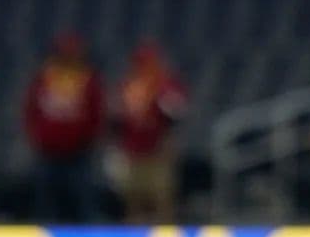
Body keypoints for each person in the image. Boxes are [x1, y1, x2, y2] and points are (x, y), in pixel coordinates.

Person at [22, 33, 106, 223]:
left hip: (78, 152)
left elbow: (97, 113)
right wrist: (39, 137)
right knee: (45, 202)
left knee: (82, 201)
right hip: (48, 152)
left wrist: (87, 141)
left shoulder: (87, 80)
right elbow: (30, 110)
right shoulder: (45, 79)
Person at [114, 41, 188, 223]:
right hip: (132, 150)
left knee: (162, 196)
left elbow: (177, 112)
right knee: (133, 197)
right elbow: (118, 117)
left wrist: (160, 98)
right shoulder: (129, 86)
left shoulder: (167, 84)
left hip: (159, 150)